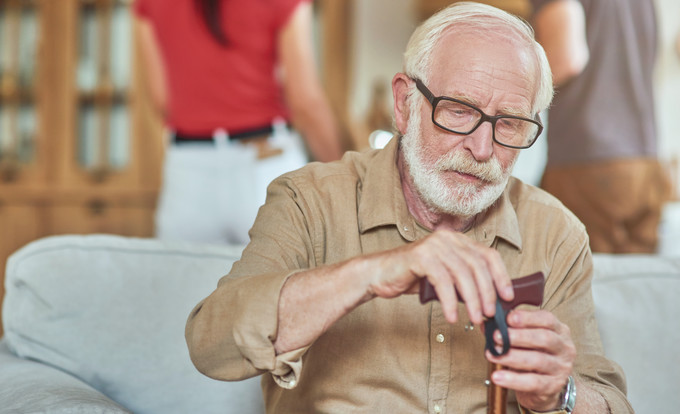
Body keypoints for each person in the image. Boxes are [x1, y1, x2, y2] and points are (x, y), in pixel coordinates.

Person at [185, 2, 631, 413]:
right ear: (404, 104)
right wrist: (373, 272)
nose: (481, 148)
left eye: (509, 124)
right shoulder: (311, 200)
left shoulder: (556, 235)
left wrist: (562, 393)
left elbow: (611, 401)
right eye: (458, 111)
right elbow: (213, 346)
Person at [134, 0, 344, 245]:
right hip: (266, 167)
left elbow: (161, 99)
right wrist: (343, 181)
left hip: (188, 172)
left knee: (185, 280)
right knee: (283, 281)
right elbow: (305, 103)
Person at [529, 0, 672, 253]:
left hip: (586, 162)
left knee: (584, 283)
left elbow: (566, 57)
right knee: (637, 282)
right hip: (645, 161)